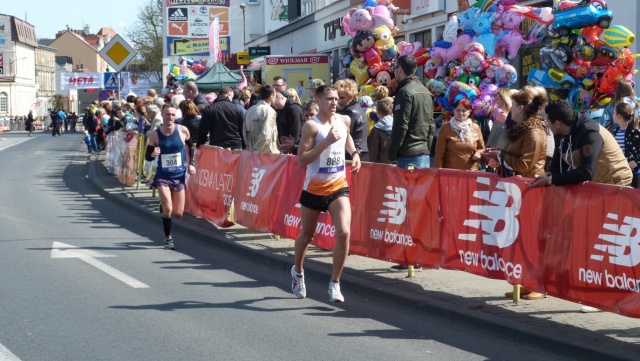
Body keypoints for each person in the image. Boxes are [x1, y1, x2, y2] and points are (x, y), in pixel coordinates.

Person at [291, 85, 361, 303]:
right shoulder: (312, 126)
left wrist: (355, 153)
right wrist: (327, 143)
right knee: (307, 236)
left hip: (338, 186)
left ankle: (335, 283)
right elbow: (302, 160)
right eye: (329, 99)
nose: (334, 102)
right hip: (314, 188)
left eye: (336, 99)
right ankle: (298, 272)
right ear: (318, 100)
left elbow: (347, 137)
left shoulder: (344, 120)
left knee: (344, 233)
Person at [529, 100, 632, 188]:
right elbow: (558, 165)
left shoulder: (590, 133)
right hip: (598, 183)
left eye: (547, 123)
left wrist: (551, 180)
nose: (546, 126)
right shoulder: (560, 132)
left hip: (617, 183)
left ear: (557, 124)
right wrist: (548, 176)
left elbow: (586, 172)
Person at [145, 104, 197, 250]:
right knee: (168, 209)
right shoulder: (155, 134)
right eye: (167, 114)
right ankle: (168, 239)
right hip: (163, 175)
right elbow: (147, 156)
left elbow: (191, 147)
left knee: (178, 213)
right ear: (162, 115)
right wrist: (153, 154)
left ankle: (163, 205)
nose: (170, 117)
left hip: (179, 175)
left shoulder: (182, 130)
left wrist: (191, 164)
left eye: (173, 115)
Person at [484, 89, 548, 178]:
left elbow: (524, 165)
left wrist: (500, 155)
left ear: (520, 108)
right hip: (515, 185)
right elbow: (514, 155)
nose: (510, 109)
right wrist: (497, 153)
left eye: (512, 105)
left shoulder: (534, 133)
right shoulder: (520, 129)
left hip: (527, 185)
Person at [389, 55, 435, 169]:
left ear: (399, 69)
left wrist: (392, 153)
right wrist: (427, 148)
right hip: (423, 154)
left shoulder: (404, 92)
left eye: (395, 69)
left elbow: (401, 126)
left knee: (406, 187)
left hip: (408, 154)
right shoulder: (426, 91)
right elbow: (431, 125)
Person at [434, 98, 485, 170]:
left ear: (469, 112)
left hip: (471, 172)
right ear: (453, 111)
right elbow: (439, 154)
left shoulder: (475, 127)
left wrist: (479, 153)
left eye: (464, 110)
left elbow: (482, 149)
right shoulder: (445, 128)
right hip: (451, 173)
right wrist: (438, 173)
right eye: (458, 110)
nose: (461, 113)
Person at [335, 79, 369, 161]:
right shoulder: (357, 108)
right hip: (359, 153)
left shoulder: (350, 112)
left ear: (351, 96)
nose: (339, 101)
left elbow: (344, 135)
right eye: (337, 97)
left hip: (354, 154)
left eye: (342, 98)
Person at [244, 85, 280, 154]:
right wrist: (257, 150)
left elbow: (244, 130)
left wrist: (249, 147)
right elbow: (266, 133)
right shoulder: (270, 111)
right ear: (271, 96)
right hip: (265, 153)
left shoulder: (250, 110)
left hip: (251, 150)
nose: (275, 98)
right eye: (275, 95)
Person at [613, 102, 640, 188]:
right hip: (621, 174)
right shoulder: (615, 132)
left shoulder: (635, 133)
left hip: (635, 173)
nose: (613, 115)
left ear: (619, 116)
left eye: (614, 113)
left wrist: (637, 162)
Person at [368, 97, 394, 163]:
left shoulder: (376, 129)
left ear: (378, 112)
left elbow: (373, 155)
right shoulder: (401, 125)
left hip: (383, 166)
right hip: (399, 165)